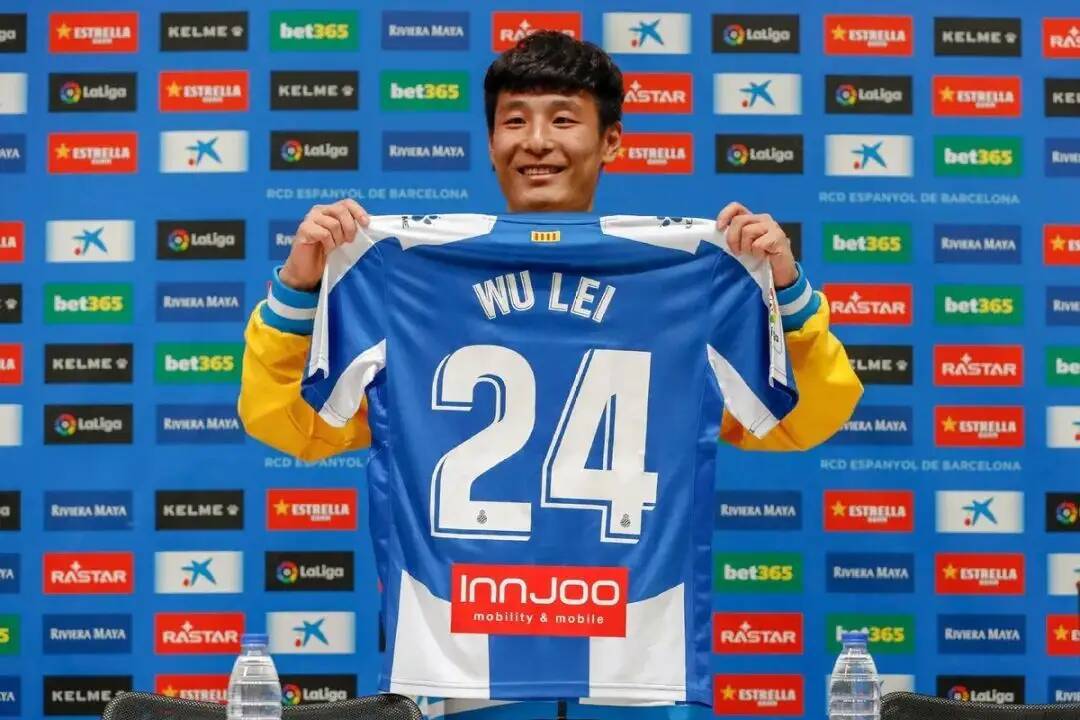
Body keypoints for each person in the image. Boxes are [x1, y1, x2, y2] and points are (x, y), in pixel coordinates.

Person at [239, 31, 861, 720]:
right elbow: (290, 424)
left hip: (634, 684)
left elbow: (805, 419)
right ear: (491, 142)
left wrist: (786, 294)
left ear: (611, 140)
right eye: (515, 120)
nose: (536, 141)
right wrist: (299, 288)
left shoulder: (691, 281)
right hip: (464, 681)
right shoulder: (402, 277)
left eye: (563, 118)